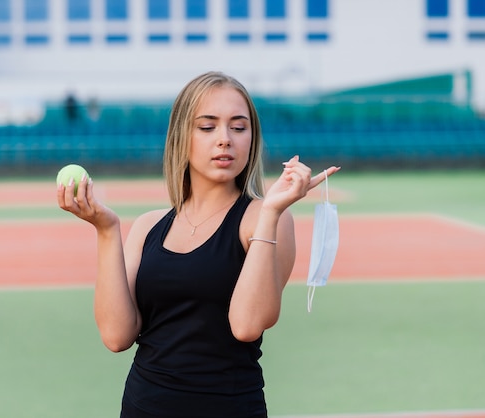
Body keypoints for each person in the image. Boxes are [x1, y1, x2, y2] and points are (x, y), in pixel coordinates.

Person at [57, 71, 340, 418]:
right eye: (207, 127)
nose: (225, 139)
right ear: (181, 137)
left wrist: (271, 212)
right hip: (142, 407)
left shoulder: (265, 218)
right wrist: (106, 229)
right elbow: (116, 337)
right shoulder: (148, 227)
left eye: (238, 127)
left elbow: (247, 325)